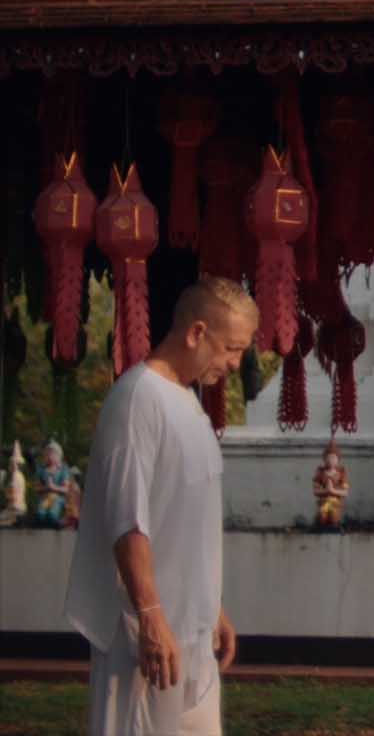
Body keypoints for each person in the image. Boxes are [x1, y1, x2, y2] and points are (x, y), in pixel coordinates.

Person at [66, 276, 257, 735]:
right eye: (231, 348)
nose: (235, 363)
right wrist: (150, 617)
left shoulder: (187, 401)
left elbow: (187, 518)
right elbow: (128, 521)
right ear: (196, 333)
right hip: (146, 638)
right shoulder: (137, 400)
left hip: (192, 633)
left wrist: (213, 607)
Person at [33, 438, 79, 528]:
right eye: (47, 454)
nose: (50, 456)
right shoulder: (41, 470)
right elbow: (37, 487)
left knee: (52, 515)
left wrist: (53, 487)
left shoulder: (63, 470)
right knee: (40, 515)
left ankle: (56, 523)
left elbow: (66, 489)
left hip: (57, 498)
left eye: (52, 454)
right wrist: (46, 488)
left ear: (59, 456)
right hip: (45, 498)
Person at [311, 439, 350, 531]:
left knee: (333, 517)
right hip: (324, 502)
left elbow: (345, 492)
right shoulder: (321, 473)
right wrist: (325, 491)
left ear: (337, 460)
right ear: (324, 459)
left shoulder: (340, 474)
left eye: (333, 458)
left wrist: (333, 491)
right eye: (328, 458)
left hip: (335, 503)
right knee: (322, 517)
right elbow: (315, 491)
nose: (330, 460)